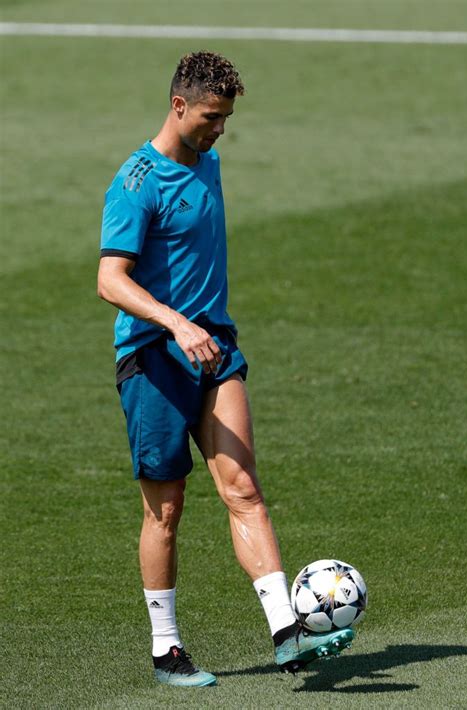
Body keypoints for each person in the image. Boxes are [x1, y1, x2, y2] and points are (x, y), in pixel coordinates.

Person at [98, 51, 354, 688]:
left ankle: (287, 634)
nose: (221, 129)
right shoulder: (135, 183)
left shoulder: (207, 161)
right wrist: (176, 323)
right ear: (179, 104)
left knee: (242, 488)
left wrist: (200, 328)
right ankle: (166, 650)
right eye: (213, 116)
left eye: (228, 117)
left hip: (214, 349)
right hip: (155, 358)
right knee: (166, 508)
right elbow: (109, 279)